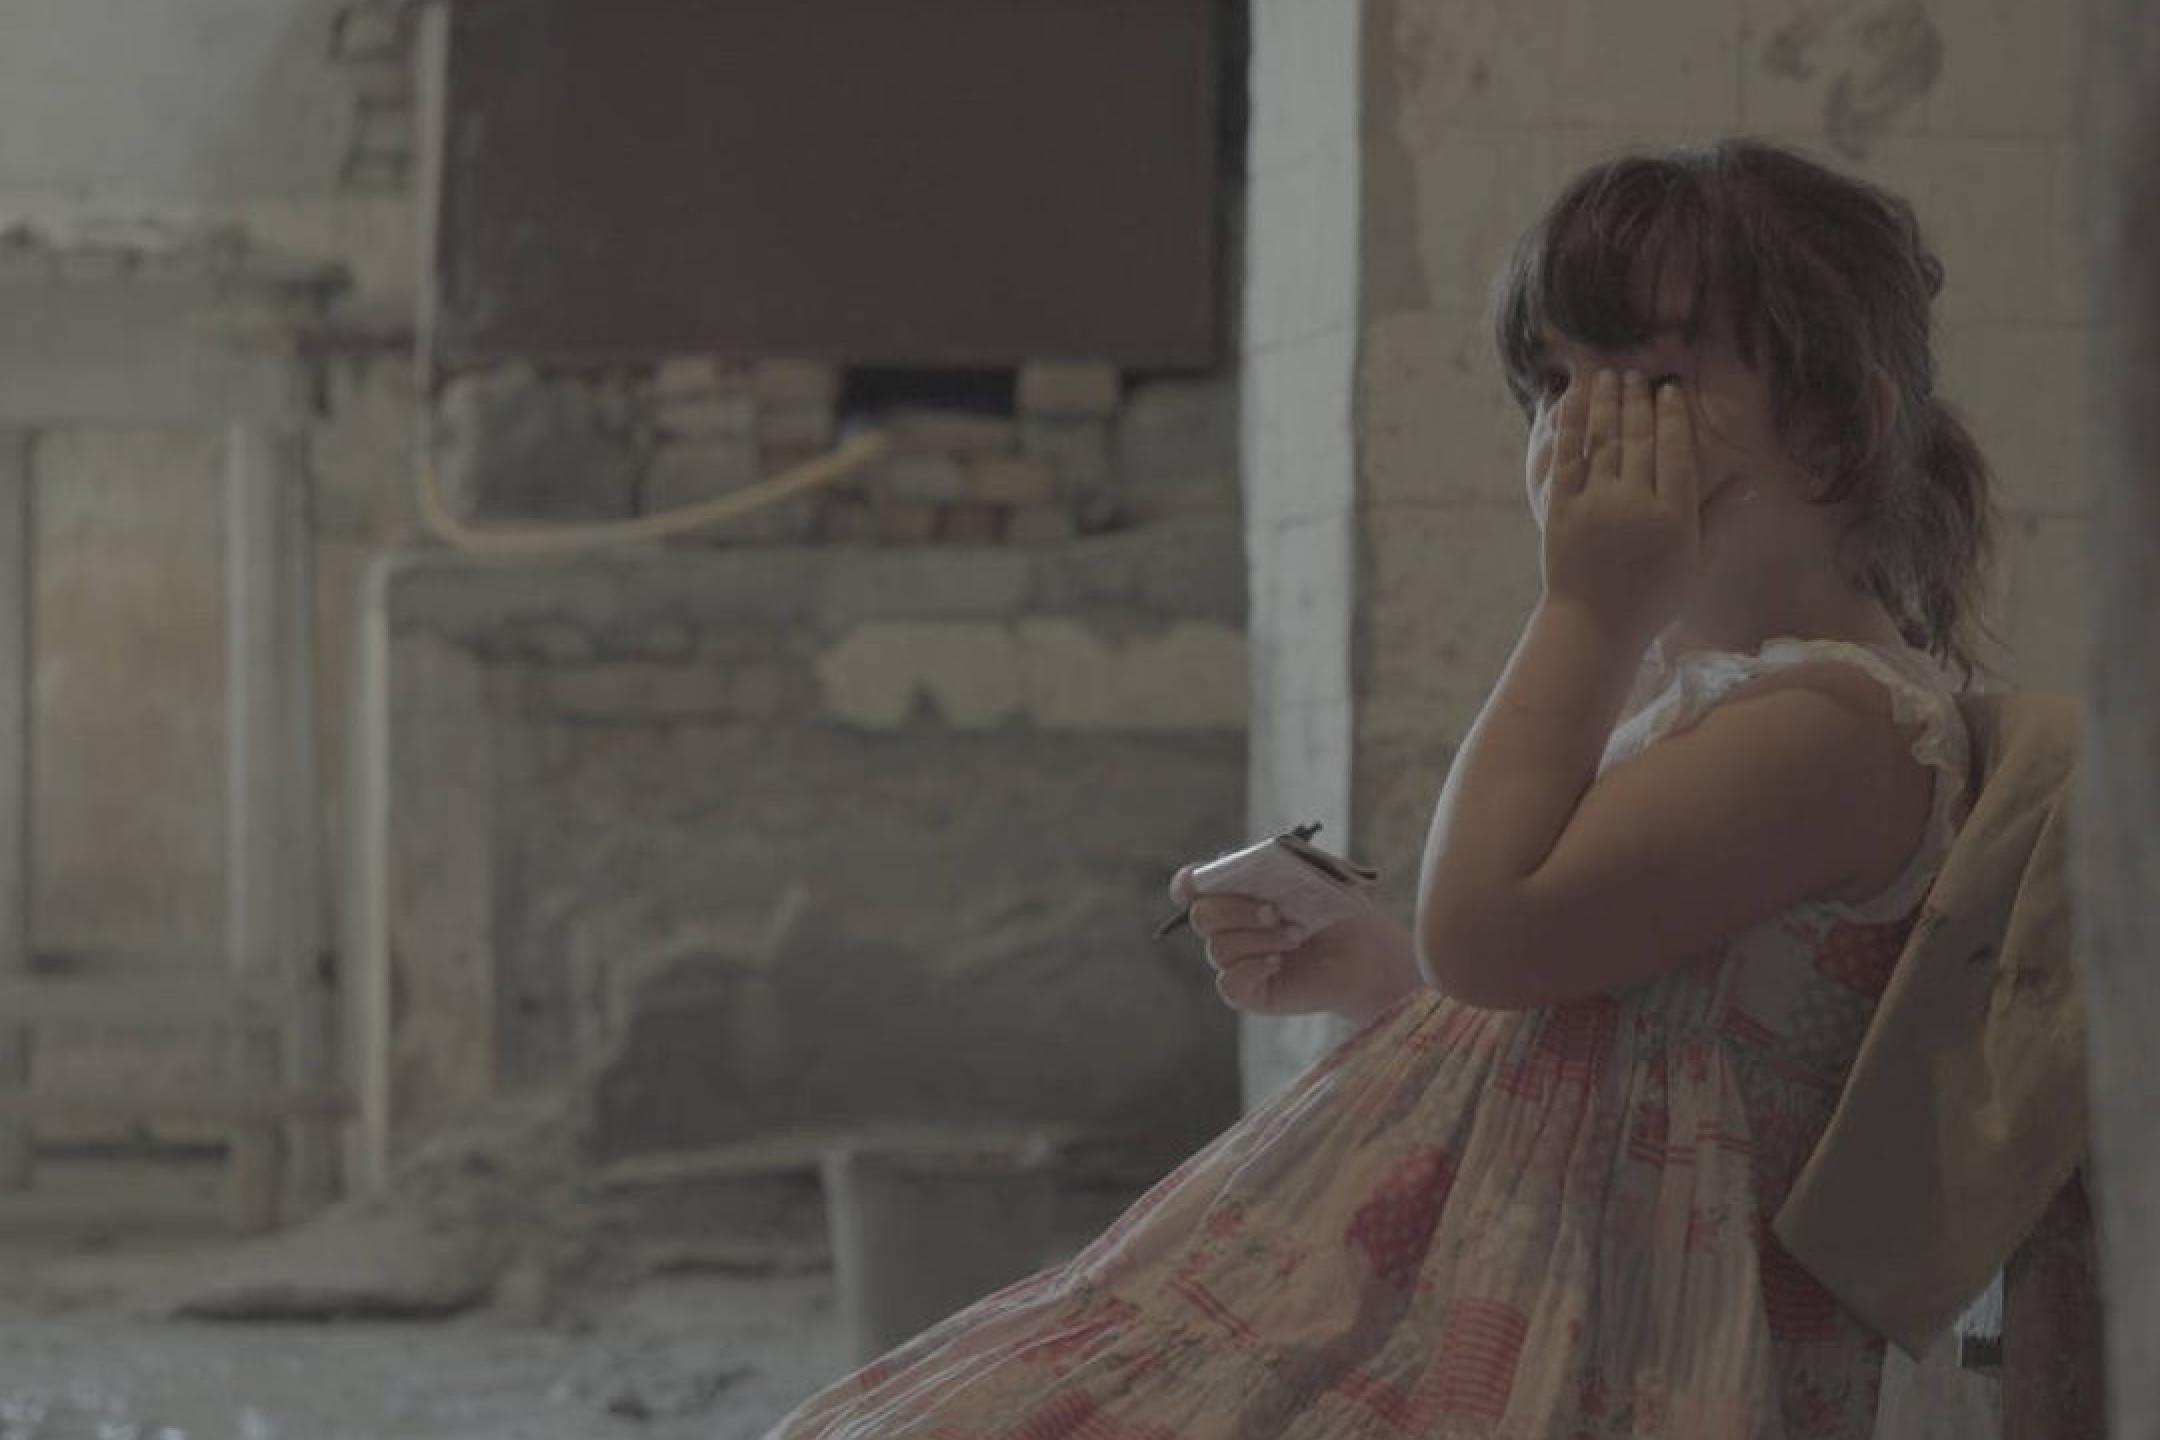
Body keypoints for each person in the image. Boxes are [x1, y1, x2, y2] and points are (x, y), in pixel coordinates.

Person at [762, 136, 1992, 1440]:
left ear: (1844, 429)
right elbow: (1600, 1015)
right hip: (1529, 1279)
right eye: (1552, 385)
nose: (1578, 433)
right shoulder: (1736, 702)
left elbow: (1491, 931)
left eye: (1656, 380)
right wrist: (1375, 977)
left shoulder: (1833, 728)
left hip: (1621, 1344)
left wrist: (1588, 606)